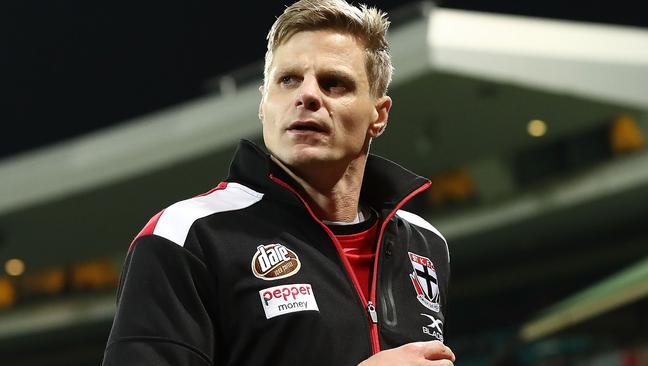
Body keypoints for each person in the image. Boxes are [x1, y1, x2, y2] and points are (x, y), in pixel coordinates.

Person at [102, 0, 454, 365]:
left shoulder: (426, 244)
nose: (307, 96)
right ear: (263, 103)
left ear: (378, 116)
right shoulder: (187, 236)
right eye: (288, 80)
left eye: (334, 83)